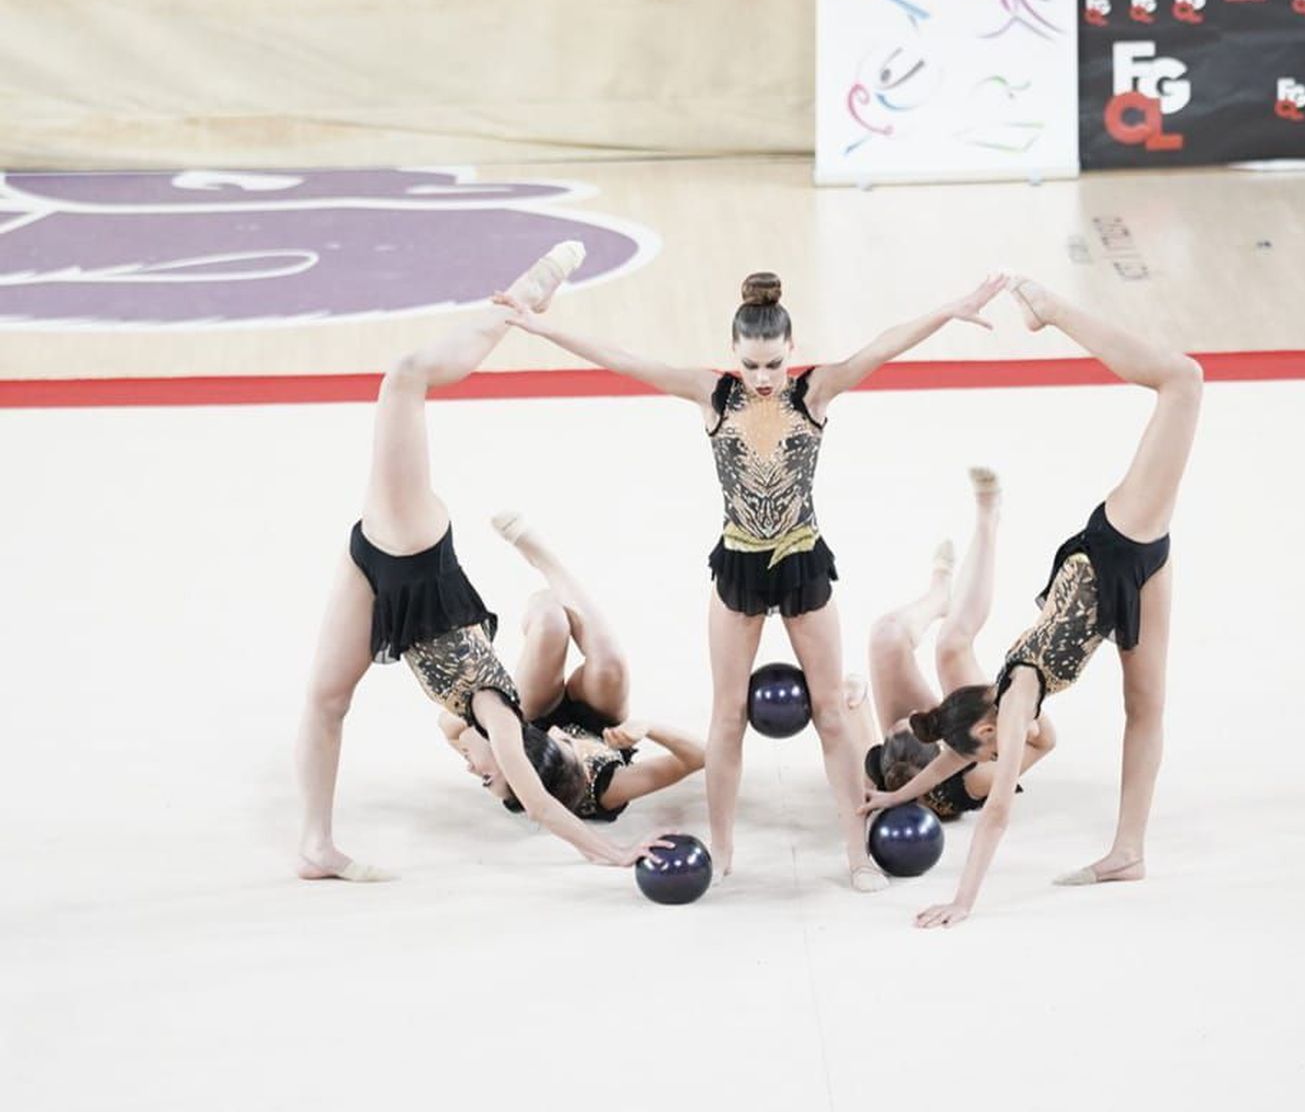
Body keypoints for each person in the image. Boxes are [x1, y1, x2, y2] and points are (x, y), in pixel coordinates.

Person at [495, 269, 1007, 890]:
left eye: (772, 365)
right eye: (752, 366)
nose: (763, 379)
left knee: (831, 715)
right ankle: (725, 845)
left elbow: (883, 346)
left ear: (791, 351)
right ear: (734, 354)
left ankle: (855, 852)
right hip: (737, 565)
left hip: (802, 563)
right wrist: (538, 326)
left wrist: (951, 307)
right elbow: (624, 360)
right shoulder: (714, 395)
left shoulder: (814, 393)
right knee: (728, 716)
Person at [295, 242, 670, 881]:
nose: (475, 771)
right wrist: (608, 851)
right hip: (409, 547)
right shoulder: (496, 708)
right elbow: (541, 801)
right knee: (405, 377)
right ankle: (522, 301)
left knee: (326, 701)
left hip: (376, 575)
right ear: (506, 747)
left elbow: (520, 787)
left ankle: (315, 847)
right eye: (488, 771)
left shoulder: (473, 722)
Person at [862, 277, 1202, 927]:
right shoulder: (996, 702)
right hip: (1126, 592)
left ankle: (1056, 313)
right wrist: (893, 796)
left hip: (1115, 548)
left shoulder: (1016, 701)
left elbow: (996, 812)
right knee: (1146, 707)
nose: (997, 759)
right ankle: (1128, 850)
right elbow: (953, 765)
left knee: (1182, 381)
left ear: (988, 731)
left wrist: (963, 900)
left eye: (990, 751)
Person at [434, 511, 706, 822]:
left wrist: (486, 734)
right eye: (486, 778)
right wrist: (649, 729)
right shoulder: (606, 788)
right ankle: (547, 562)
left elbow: (447, 724)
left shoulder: (501, 744)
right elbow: (699, 757)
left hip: (532, 717)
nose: (472, 769)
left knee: (551, 620)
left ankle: (547, 604)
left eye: (482, 776)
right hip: (600, 724)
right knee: (610, 667)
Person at [850, 468, 1056, 820]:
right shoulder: (975, 778)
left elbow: (855, 731)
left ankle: (938, 593)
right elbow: (1045, 743)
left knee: (885, 636)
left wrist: (853, 695)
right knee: (951, 648)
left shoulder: (880, 764)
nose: (907, 715)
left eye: (896, 727)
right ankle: (988, 516)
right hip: (982, 731)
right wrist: (1026, 718)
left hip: (953, 736)